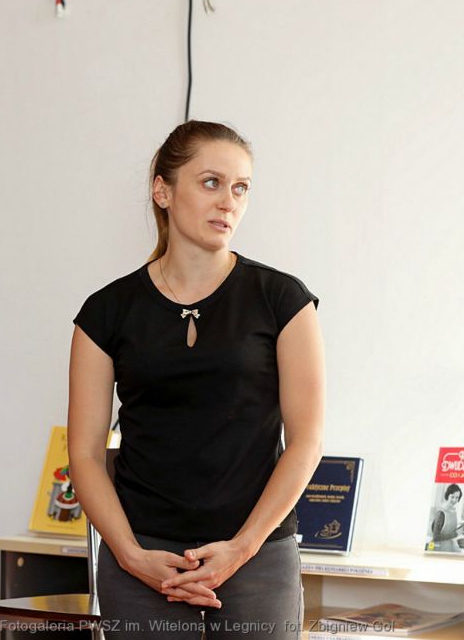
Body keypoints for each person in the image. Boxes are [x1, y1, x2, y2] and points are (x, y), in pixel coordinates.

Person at [67, 121, 325, 638]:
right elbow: (86, 456)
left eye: (241, 188)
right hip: (143, 558)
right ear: (162, 191)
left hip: (257, 555)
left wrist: (243, 547)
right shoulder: (106, 312)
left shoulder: (282, 300)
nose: (228, 202)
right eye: (211, 182)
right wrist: (130, 554)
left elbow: (307, 441)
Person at [429, 484, 464, 552]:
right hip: (438, 549)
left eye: (457, 497)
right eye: (452, 497)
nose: (454, 500)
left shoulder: (453, 512)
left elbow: (449, 531)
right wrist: (455, 534)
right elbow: (436, 537)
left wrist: (459, 530)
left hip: (448, 547)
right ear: (447, 495)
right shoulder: (441, 513)